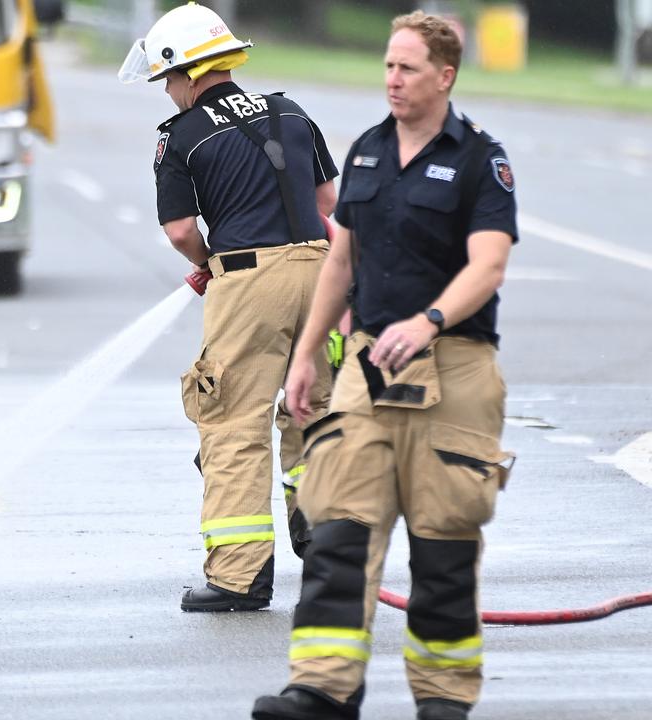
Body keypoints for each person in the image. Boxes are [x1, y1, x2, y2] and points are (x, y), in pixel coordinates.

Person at [252, 11, 517, 720]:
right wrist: (307, 354)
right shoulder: (367, 151)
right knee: (337, 528)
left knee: (442, 547)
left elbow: (489, 262)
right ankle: (322, 688)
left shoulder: (478, 161)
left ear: (445, 76)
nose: (392, 80)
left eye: (406, 68)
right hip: (365, 371)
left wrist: (429, 319)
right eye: (387, 67)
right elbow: (341, 259)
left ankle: (442, 700)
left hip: (454, 371)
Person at [119, 2, 338, 612]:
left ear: (187, 72)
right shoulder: (292, 113)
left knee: (233, 420)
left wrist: (209, 260)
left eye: (166, 80)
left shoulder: (181, 137)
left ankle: (240, 577)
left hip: (247, 278)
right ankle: (330, 550)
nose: (166, 93)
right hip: (319, 270)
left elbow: (182, 229)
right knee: (313, 408)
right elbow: (327, 200)